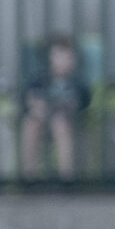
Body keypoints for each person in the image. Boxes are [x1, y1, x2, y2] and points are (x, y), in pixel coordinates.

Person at [20, 34, 92, 180]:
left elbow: (83, 101)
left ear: (73, 59)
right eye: (57, 56)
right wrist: (38, 106)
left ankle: (66, 176)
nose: (62, 61)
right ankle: (28, 176)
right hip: (41, 117)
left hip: (67, 120)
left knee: (59, 123)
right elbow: (28, 97)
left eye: (67, 57)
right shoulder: (40, 78)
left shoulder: (77, 81)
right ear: (49, 58)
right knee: (30, 124)